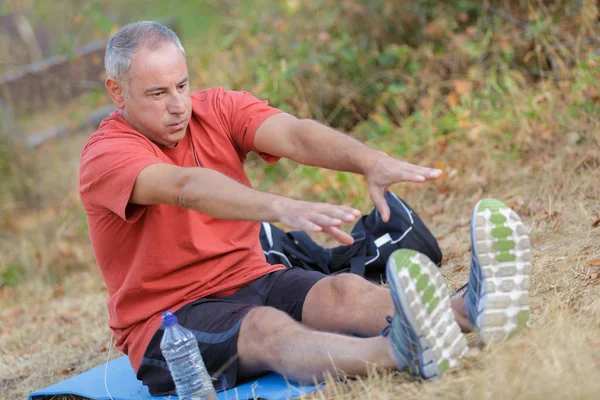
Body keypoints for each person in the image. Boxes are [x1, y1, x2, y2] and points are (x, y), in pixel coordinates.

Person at [78, 21, 531, 395]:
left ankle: (469, 310)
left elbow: (295, 134)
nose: (178, 106)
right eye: (158, 94)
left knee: (343, 292)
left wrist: (368, 161)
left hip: (250, 276)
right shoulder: (106, 155)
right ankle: (404, 352)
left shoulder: (213, 108)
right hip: (169, 321)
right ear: (117, 92)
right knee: (264, 328)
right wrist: (278, 207)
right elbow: (184, 186)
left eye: (182, 85)